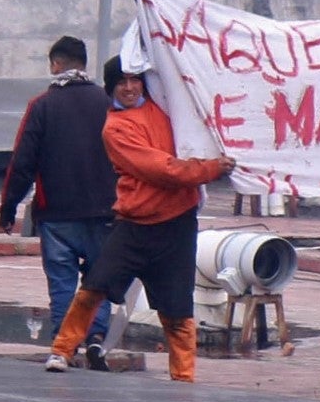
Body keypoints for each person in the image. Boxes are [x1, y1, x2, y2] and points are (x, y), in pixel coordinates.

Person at [44, 55, 237, 382]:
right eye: (122, 82)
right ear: (111, 88)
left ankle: (184, 378)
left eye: (135, 79)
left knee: (178, 311)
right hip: (135, 226)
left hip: (177, 224)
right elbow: (161, 169)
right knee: (94, 288)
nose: (130, 87)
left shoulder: (165, 109)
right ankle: (62, 350)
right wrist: (210, 169)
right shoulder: (115, 128)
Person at [0, 36, 117, 370]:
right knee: (98, 279)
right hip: (104, 210)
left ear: (55, 64)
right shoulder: (107, 103)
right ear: (84, 62)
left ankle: (64, 346)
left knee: (62, 281)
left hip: (57, 213)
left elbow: (21, 163)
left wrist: (8, 209)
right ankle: (95, 338)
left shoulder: (42, 106)